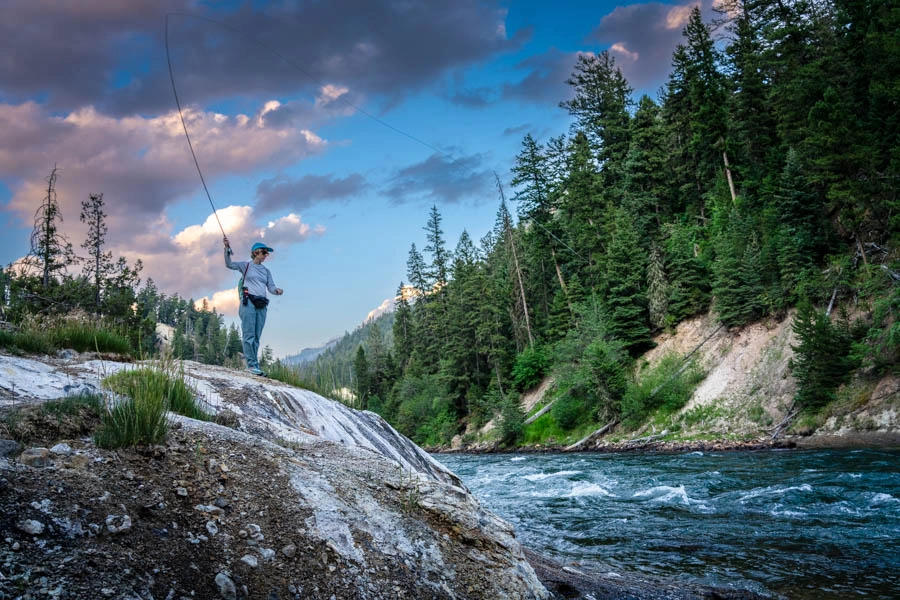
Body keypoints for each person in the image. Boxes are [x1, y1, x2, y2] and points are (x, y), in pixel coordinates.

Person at [223, 236, 283, 376]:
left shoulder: (266, 271)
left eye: (267, 253)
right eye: (264, 252)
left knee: (256, 336)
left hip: (262, 304)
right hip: (248, 302)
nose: (266, 255)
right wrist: (226, 248)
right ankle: (251, 366)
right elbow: (229, 264)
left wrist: (277, 291)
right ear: (256, 252)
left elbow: (271, 287)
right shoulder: (246, 266)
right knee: (248, 334)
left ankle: (254, 365)